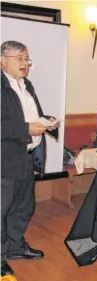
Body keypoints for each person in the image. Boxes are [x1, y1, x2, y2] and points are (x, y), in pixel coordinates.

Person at [1, 41, 60, 276]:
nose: (26, 64)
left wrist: (46, 121)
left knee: (23, 207)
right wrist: (26, 128)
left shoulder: (27, 85)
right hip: (5, 159)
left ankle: (15, 247)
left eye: (27, 59)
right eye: (21, 58)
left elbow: (29, 115)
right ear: (3, 59)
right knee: (1, 210)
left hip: (27, 157)